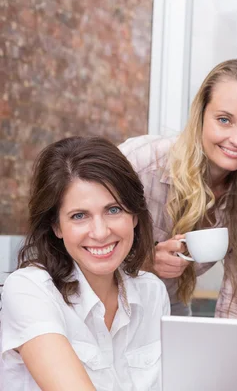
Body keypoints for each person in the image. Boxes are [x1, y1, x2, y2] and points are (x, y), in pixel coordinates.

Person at [0, 137, 169, 391]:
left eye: (114, 210)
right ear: (56, 226)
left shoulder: (152, 293)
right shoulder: (29, 290)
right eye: (79, 216)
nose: (100, 232)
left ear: (134, 215)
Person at [119, 59, 237, 317]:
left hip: (169, 309)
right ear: (201, 116)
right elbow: (78, 246)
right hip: (108, 302)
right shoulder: (140, 162)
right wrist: (144, 260)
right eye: (224, 120)